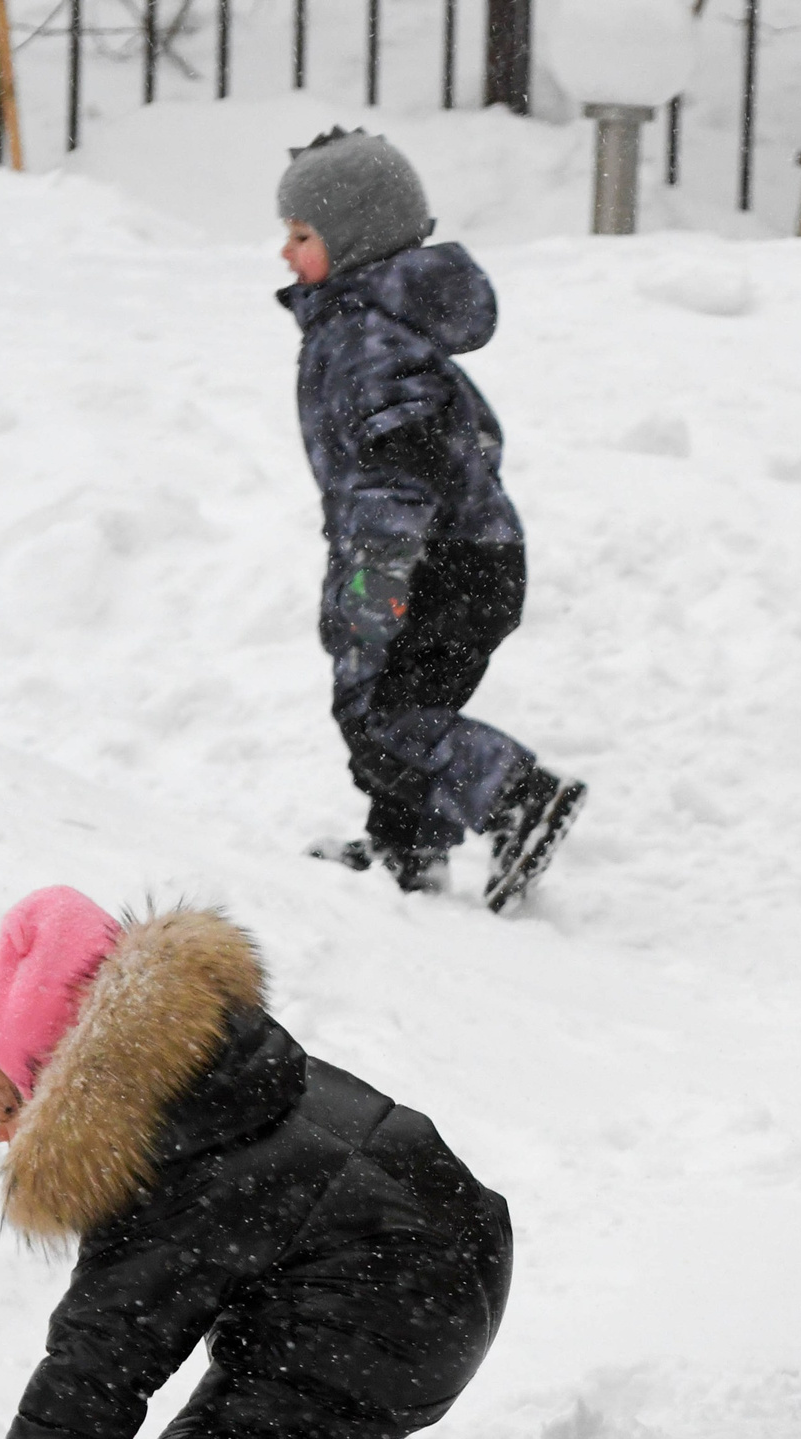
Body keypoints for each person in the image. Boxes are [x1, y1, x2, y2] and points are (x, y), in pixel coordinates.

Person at [0, 887, 512, 1439]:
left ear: (64, 1079)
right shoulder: (214, 1075)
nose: (0, 1128)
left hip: (396, 1305)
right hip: (444, 1259)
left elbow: (104, 1350)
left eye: (8, 1100)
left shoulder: (165, 1148)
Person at [278, 128, 583, 910]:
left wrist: (371, 579)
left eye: (301, 235)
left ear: (351, 241)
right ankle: (405, 853)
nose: (286, 254)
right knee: (392, 706)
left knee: (385, 710)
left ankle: (521, 797)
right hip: (461, 554)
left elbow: (399, 472)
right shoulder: (368, 325)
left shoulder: (367, 342)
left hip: (433, 559)